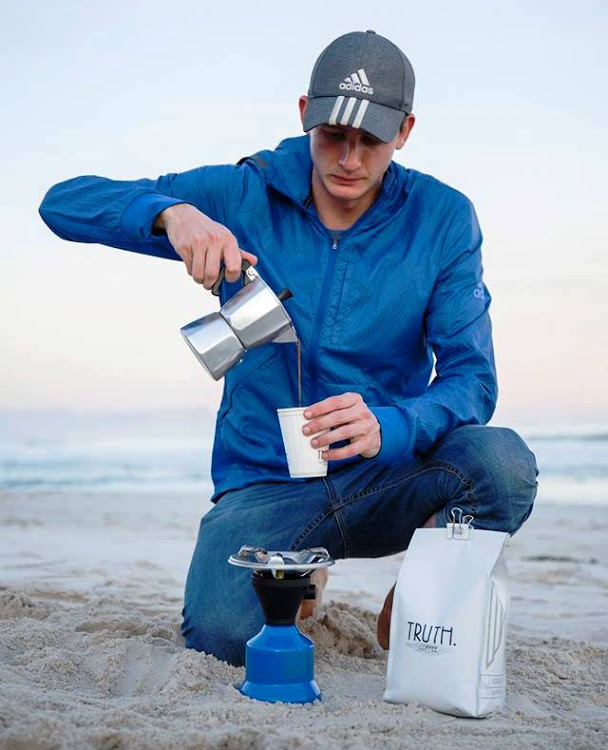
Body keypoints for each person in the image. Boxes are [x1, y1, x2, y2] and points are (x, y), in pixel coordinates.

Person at [39, 30, 538, 666]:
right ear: (305, 113)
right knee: (221, 641)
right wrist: (173, 214)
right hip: (266, 486)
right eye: (334, 134)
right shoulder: (243, 193)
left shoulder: (442, 219)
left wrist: (392, 425)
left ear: (405, 131)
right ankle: (302, 574)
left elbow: (473, 380)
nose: (350, 159)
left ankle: (425, 586)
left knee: (504, 464)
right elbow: (61, 204)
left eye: (372, 140)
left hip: (384, 476)